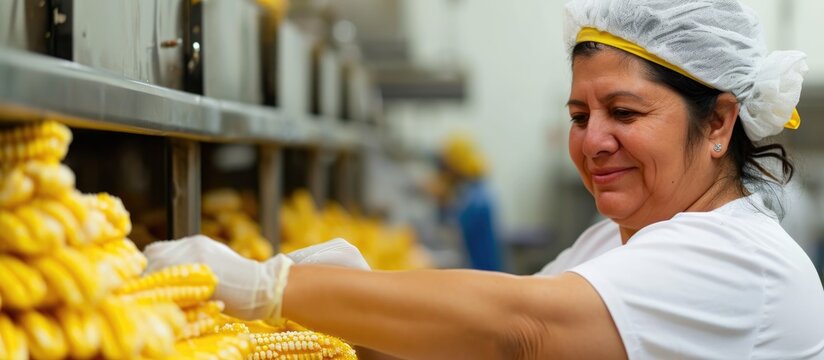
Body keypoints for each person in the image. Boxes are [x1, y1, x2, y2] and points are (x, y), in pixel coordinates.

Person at [144, 0, 824, 358]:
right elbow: (481, 349)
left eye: (624, 112)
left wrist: (273, 289)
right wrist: (365, 328)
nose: (592, 141)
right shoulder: (611, 246)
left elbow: (520, 331)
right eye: (579, 113)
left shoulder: (739, 263)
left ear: (718, 124)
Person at [430, 133, 504, 271]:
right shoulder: (478, 191)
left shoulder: (475, 198)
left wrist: (442, 203)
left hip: (480, 270)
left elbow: (454, 230)